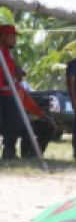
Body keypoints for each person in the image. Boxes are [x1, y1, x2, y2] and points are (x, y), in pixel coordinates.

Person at [0, 23, 32, 160]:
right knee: (10, 125)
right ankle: (8, 153)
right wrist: (15, 78)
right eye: (12, 37)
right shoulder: (1, 52)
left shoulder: (7, 53)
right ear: (3, 37)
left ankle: (10, 153)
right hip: (4, 95)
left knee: (14, 125)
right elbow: (4, 80)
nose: (15, 40)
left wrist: (17, 72)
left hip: (10, 94)